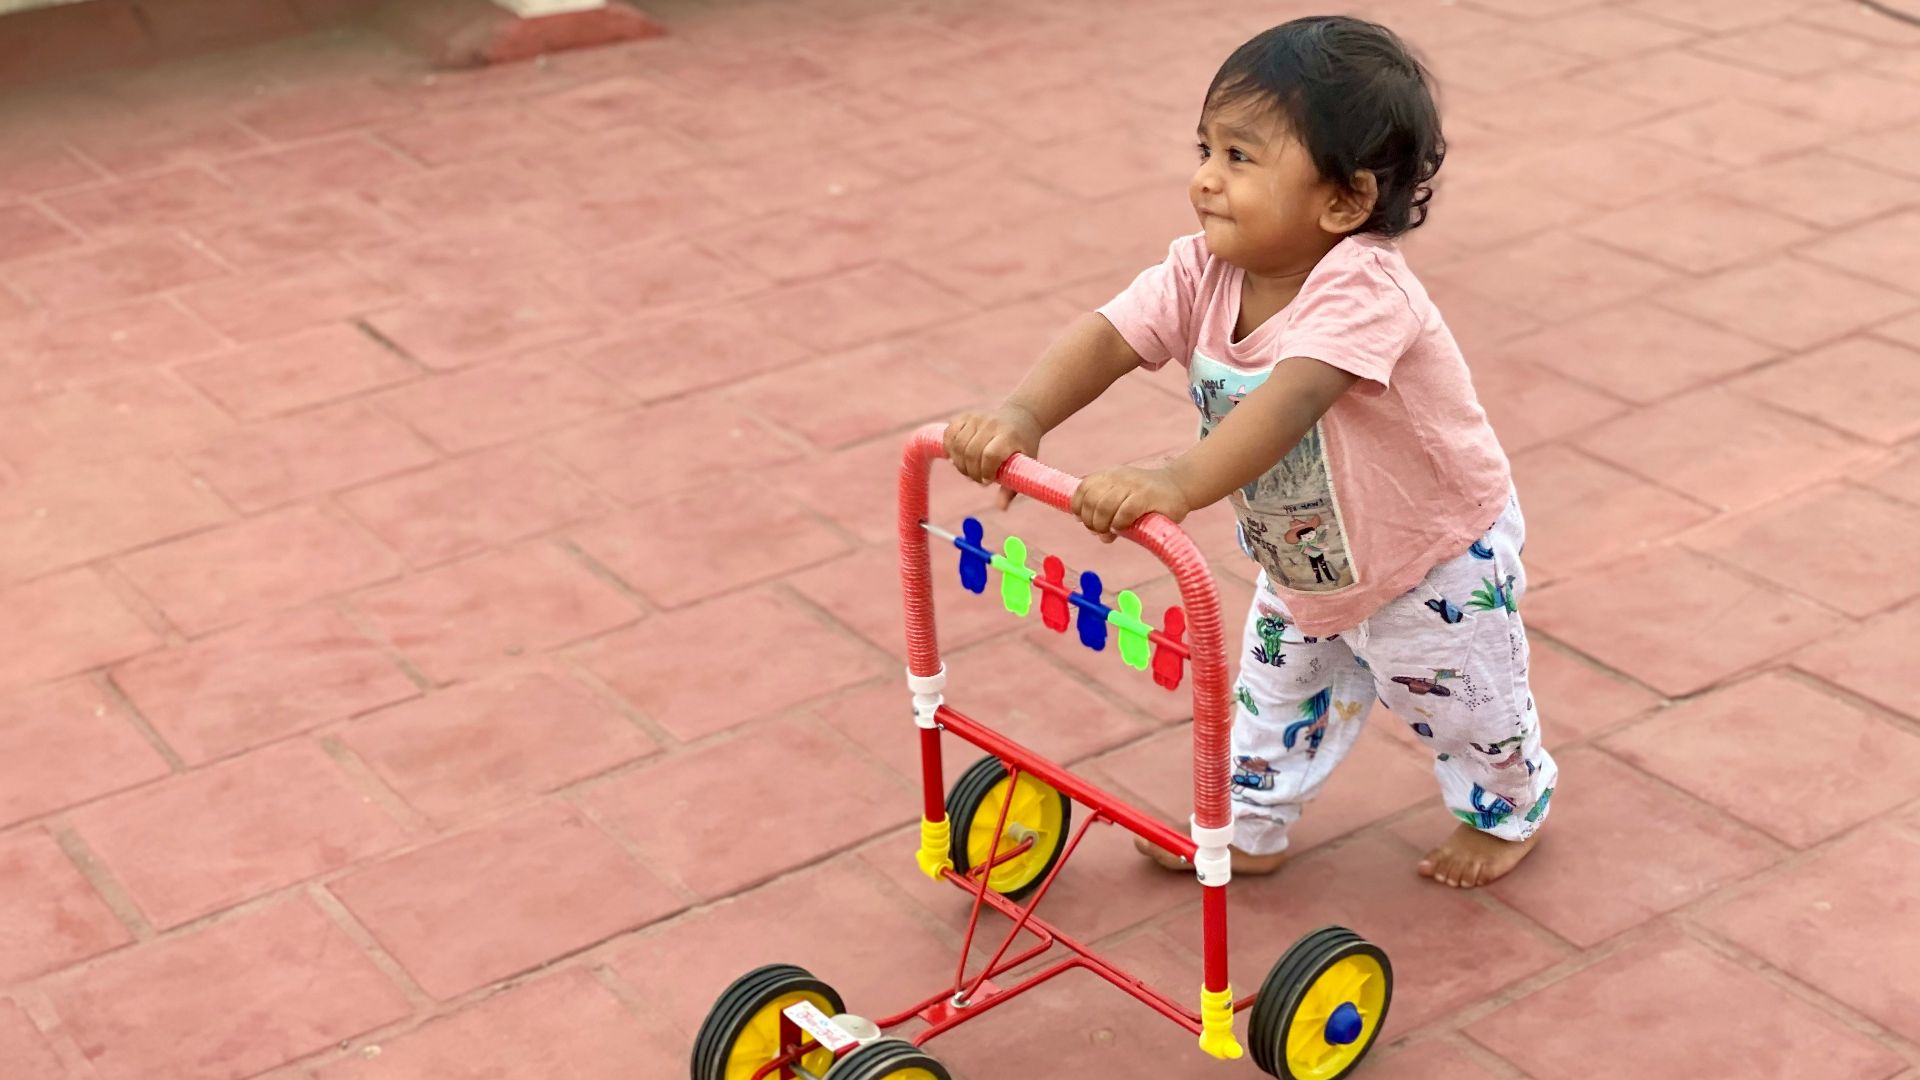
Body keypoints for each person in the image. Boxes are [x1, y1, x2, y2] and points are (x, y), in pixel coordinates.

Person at [942, 15, 1554, 889]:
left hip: (1433, 557)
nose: (1205, 179)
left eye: (1239, 158)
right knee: (1276, 695)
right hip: (1306, 559)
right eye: (1205, 149)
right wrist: (1023, 413)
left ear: (1343, 201)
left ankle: (1508, 806)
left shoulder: (1364, 289)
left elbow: (1292, 398)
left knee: (1462, 704)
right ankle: (1251, 822)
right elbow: (1111, 335)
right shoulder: (1201, 269)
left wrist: (1175, 480)